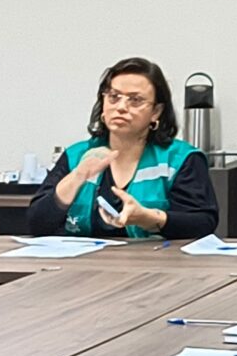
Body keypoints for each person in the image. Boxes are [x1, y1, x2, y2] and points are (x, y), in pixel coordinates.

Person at [24, 57, 219, 239]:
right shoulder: (77, 155)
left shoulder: (180, 158)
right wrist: (77, 177)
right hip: (85, 267)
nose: (121, 107)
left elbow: (203, 223)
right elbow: (37, 224)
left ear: (156, 112)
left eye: (135, 100)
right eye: (114, 97)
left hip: (158, 267)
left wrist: (149, 218)